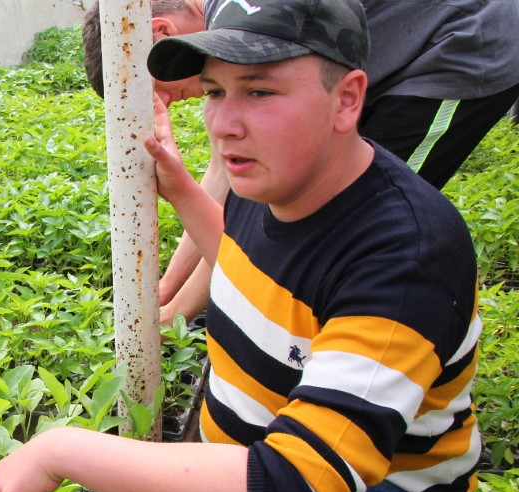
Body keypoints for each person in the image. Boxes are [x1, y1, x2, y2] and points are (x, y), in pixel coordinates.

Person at [0, 0, 483, 492]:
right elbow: (246, 264)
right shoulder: (275, 181)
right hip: (253, 456)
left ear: (347, 99)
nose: (223, 125)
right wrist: (182, 189)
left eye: (260, 91)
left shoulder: (405, 254)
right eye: (215, 91)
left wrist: (64, 449)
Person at [83, 0, 519, 327]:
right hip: (375, 61)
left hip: (457, 47)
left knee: (356, 210)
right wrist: (167, 291)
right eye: (216, 93)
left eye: (155, 91)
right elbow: (222, 177)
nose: (164, 104)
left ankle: (348, 334)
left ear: (161, 31)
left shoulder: (245, 18)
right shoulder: (228, 19)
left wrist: (179, 312)